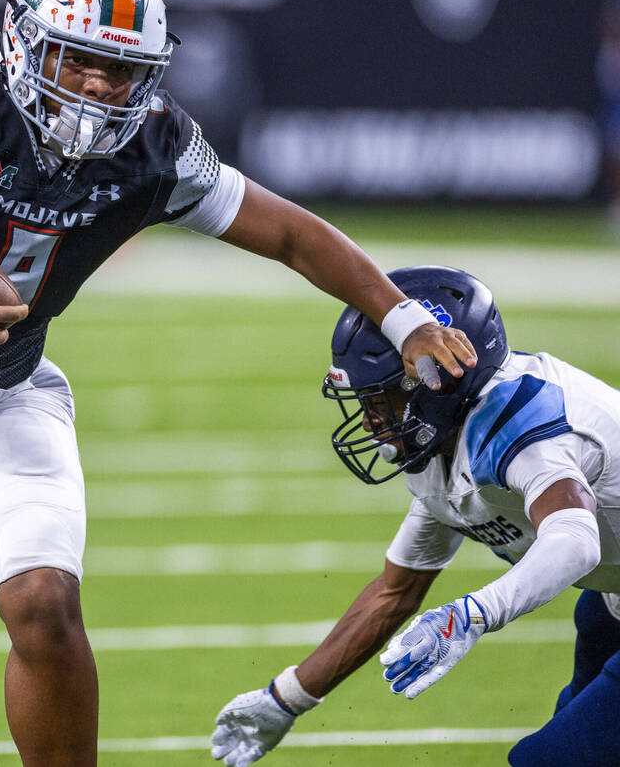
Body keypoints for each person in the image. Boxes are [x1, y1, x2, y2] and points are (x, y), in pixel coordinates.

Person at [0, 0, 476, 766]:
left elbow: (293, 235)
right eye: (79, 58)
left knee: (45, 605)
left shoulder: (154, 146)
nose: (96, 85)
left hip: (4, 399)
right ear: (23, 41)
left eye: (120, 69)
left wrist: (404, 317)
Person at [209, 265, 620, 767]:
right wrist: (287, 697)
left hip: (608, 586)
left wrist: (473, 614)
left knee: (547, 761)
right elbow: (394, 592)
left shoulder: (519, 421)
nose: (369, 419)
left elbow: (576, 538)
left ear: (442, 379)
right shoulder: (443, 447)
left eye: (381, 398)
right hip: (610, 599)